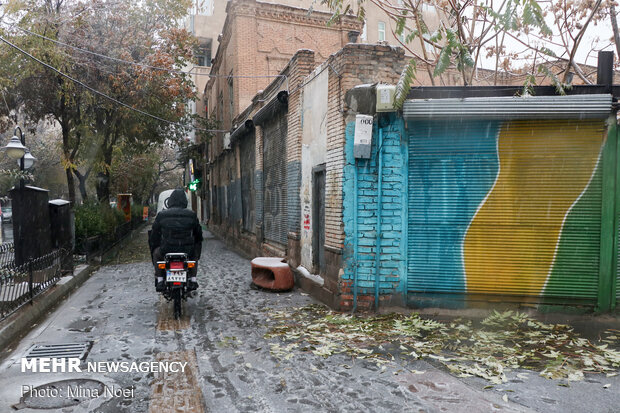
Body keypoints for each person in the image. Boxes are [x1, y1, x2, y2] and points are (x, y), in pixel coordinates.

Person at [149, 188, 202, 292]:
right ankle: (193, 279)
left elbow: (154, 235)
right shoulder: (191, 215)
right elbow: (198, 234)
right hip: (187, 250)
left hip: (166, 250)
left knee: (156, 254)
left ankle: (160, 280)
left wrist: (155, 244)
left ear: (170, 201)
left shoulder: (162, 215)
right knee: (194, 254)